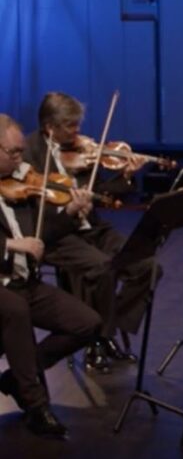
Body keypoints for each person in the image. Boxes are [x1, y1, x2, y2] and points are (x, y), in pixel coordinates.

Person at [25, 92, 156, 372]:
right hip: (58, 234)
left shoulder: (81, 151)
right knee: (102, 268)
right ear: (50, 127)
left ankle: (109, 324)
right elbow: (33, 214)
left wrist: (127, 176)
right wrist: (68, 210)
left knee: (148, 265)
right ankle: (99, 339)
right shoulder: (29, 154)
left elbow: (105, 195)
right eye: (71, 126)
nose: (78, 132)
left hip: (92, 228)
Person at [0, 113, 100, 438]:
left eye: (20, 152)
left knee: (88, 323)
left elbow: (44, 234)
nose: (21, 160)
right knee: (15, 310)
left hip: (25, 282)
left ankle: (18, 376)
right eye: (13, 153)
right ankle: (36, 406)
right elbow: (20, 242)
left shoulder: (21, 184)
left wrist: (70, 213)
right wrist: (13, 243)